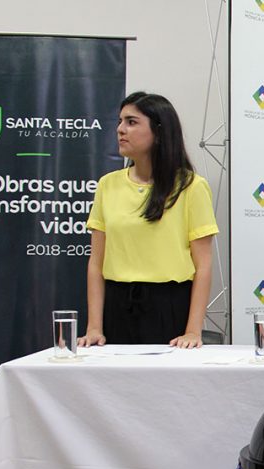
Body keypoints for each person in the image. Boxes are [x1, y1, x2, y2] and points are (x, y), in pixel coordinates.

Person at [79, 92, 218, 348]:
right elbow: (96, 264)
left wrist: (192, 331)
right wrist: (94, 327)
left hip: (169, 307)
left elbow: (204, 266)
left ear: (159, 131)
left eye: (132, 122)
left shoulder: (191, 187)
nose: (121, 130)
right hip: (117, 305)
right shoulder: (107, 185)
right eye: (120, 121)